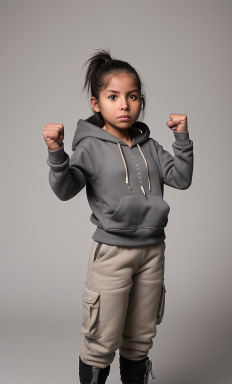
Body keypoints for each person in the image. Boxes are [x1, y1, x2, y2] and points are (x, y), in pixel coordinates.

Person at [43, 48, 194, 384]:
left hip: (153, 251)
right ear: (97, 103)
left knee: (140, 339)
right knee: (101, 341)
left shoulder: (150, 146)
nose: (124, 105)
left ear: (140, 101)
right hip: (112, 254)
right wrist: (57, 153)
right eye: (113, 96)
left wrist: (181, 137)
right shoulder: (90, 148)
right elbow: (66, 189)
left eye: (133, 96)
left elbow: (182, 178)